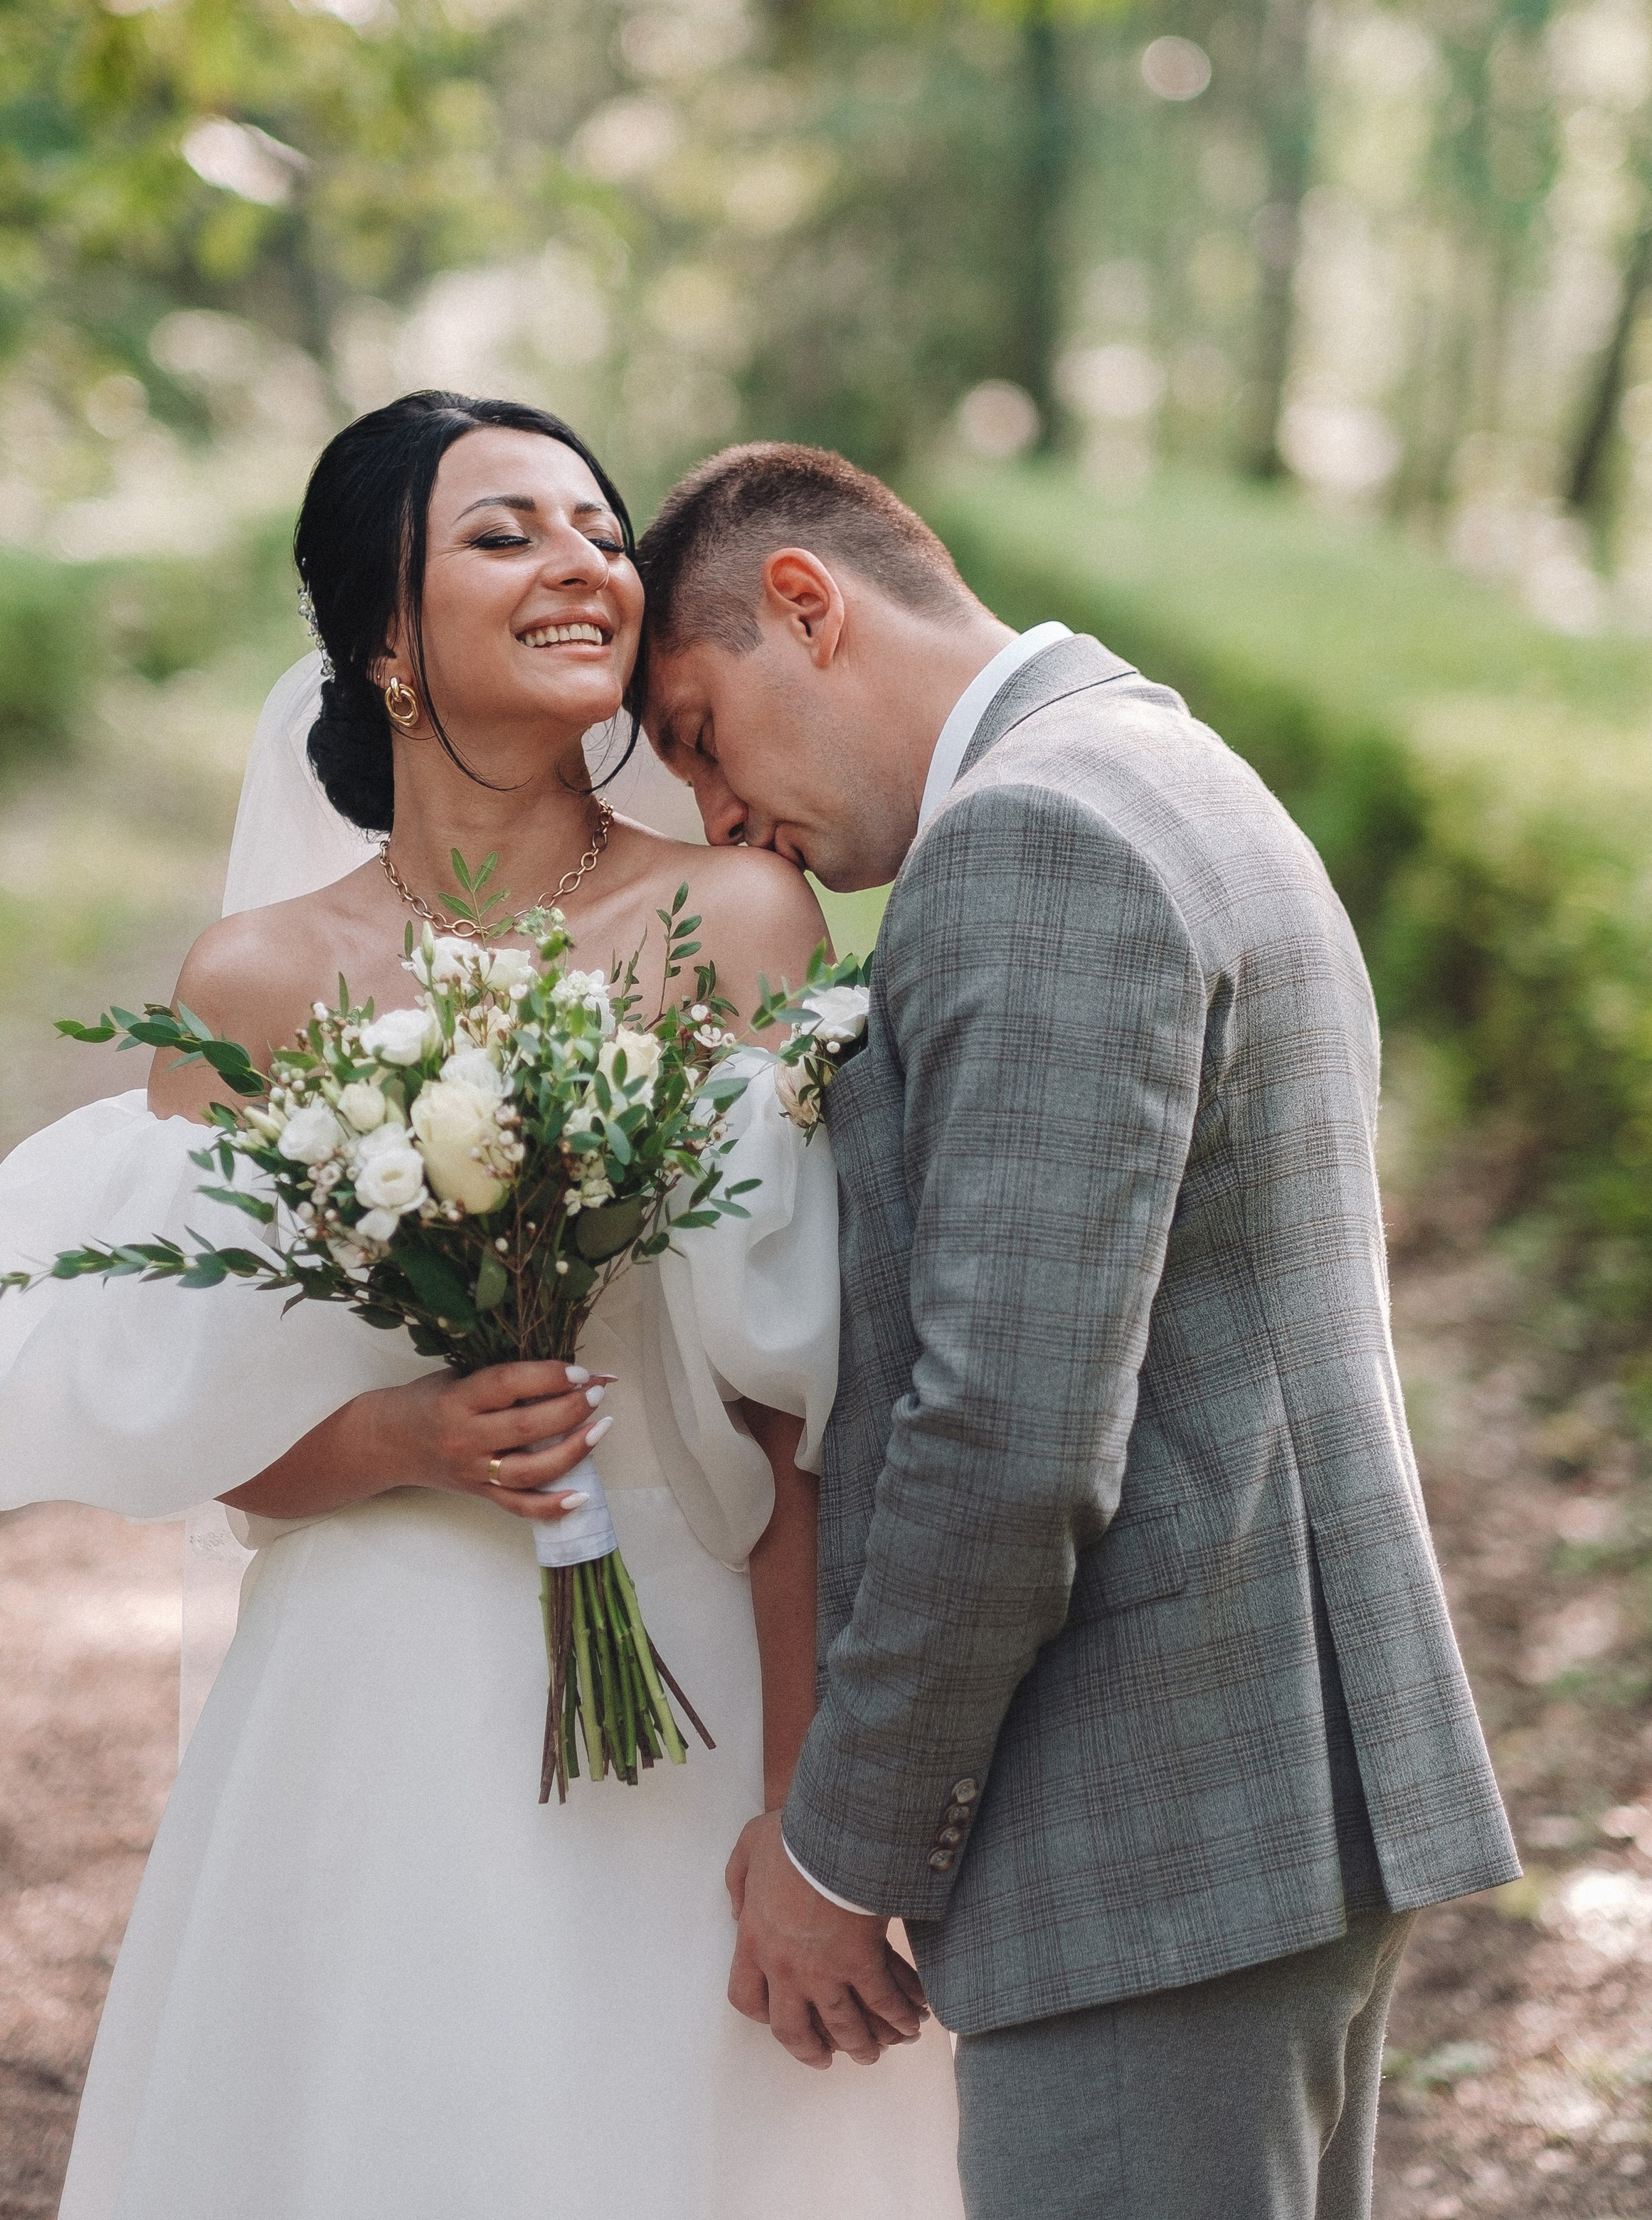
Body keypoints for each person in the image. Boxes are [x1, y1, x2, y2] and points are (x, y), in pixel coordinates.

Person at [0, 396, 963, 2220]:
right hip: (373, 1687)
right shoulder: (256, 981)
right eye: (504, 535)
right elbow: (212, 1436)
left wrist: (804, 1810)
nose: (583, 566)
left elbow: (801, 1409)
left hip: (687, 1661)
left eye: (598, 533)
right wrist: (398, 1437)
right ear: (384, 643)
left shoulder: (736, 919)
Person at [636, 441, 1520, 2220]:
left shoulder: (1028, 841)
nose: (717, 819)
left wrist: (837, 1850)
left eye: (701, 735)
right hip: (1262, 1807)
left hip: (1153, 1834)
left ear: (803, 606)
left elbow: (1008, 1437)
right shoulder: (1161, 762)